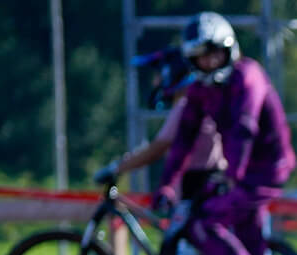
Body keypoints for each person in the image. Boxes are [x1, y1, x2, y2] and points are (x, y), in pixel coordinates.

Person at [155, 12, 297, 255]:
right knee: (243, 235)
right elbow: (183, 142)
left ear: (229, 49)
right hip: (241, 174)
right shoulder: (201, 90)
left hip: (264, 171)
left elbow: (243, 129)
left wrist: (232, 177)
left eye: (215, 53)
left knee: (204, 223)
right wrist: (167, 185)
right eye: (201, 57)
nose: (209, 62)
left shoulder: (248, 76)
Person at [95, 45, 224, 201]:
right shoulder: (193, 103)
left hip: (202, 190)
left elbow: (157, 148)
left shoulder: (185, 106)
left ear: (171, 73)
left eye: (159, 75)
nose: (156, 82)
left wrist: (115, 168)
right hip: (203, 187)